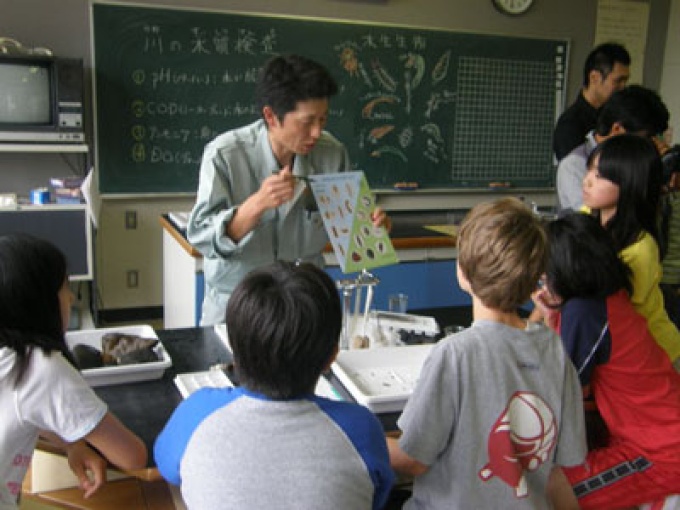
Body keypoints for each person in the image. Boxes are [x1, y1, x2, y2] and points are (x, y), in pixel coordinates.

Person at [387, 198, 586, 509]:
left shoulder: (454, 354)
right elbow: (556, 472)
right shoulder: (553, 349)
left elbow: (413, 461)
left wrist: (359, 432)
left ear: (463, 273)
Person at [154, 260, 394, 509]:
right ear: (332, 356)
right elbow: (374, 496)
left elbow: (168, 466)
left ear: (233, 353)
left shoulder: (197, 413)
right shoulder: (362, 429)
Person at [187, 54, 390, 326]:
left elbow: (356, 238)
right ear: (271, 116)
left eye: (323, 119)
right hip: (238, 306)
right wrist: (256, 205)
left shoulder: (332, 154)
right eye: (307, 122)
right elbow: (200, 237)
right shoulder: (225, 154)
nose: (317, 132)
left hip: (304, 304)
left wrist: (373, 228)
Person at [532, 213, 680, 508]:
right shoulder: (604, 297)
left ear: (566, 267)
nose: (541, 277)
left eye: (544, 269)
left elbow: (564, 391)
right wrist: (551, 316)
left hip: (662, 452)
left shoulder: (586, 312)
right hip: (646, 437)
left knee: (545, 491)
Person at [0, 234, 147, 509]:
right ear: (38, 303)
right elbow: (132, 456)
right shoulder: (39, 368)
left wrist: (71, 443)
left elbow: (17, 408)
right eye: (65, 286)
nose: (70, 296)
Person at [582, 134, 680, 365]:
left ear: (630, 183)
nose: (587, 181)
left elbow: (614, 309)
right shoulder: (587, 215)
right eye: (588, 171)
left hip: (655, 353)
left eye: (599, 175)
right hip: (618, 348)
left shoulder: (642, 248)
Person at [556, 84, 669, 213]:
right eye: (646, 138)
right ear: (617, 130)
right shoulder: (575, 164)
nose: (649, 146)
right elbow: (589, 223)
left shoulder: (631, 162)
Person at [553, 42, 630, 162]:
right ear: (594, 77)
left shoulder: (615, 116)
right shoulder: (570, 124)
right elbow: (576, 172)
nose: (623, 87)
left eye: (625, 81)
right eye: (618, 81)